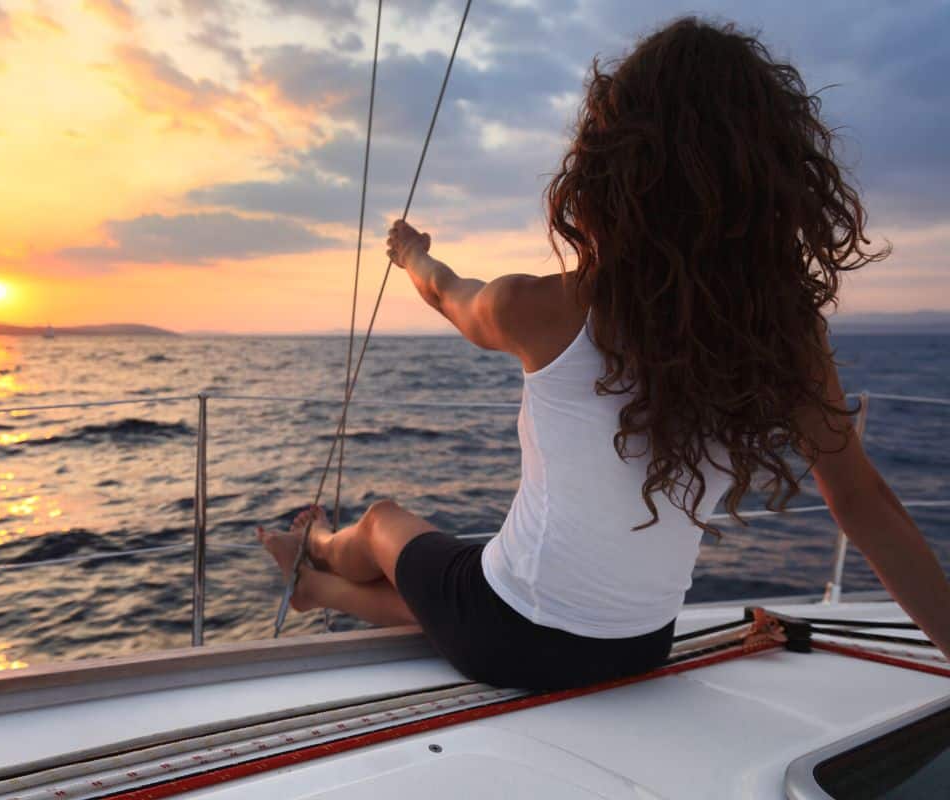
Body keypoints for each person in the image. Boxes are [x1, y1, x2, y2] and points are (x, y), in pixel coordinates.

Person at [257, 16, 950, 689]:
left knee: (383, 523)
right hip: (642, 644)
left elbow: (447, 294)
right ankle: (318, 590)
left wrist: (411, 254)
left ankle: (315, 547)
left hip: (507, 637)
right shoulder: (784, 338)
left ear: (614, 167)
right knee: (475, 580)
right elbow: (863, 503)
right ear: (770, 183)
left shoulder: (544, 307)